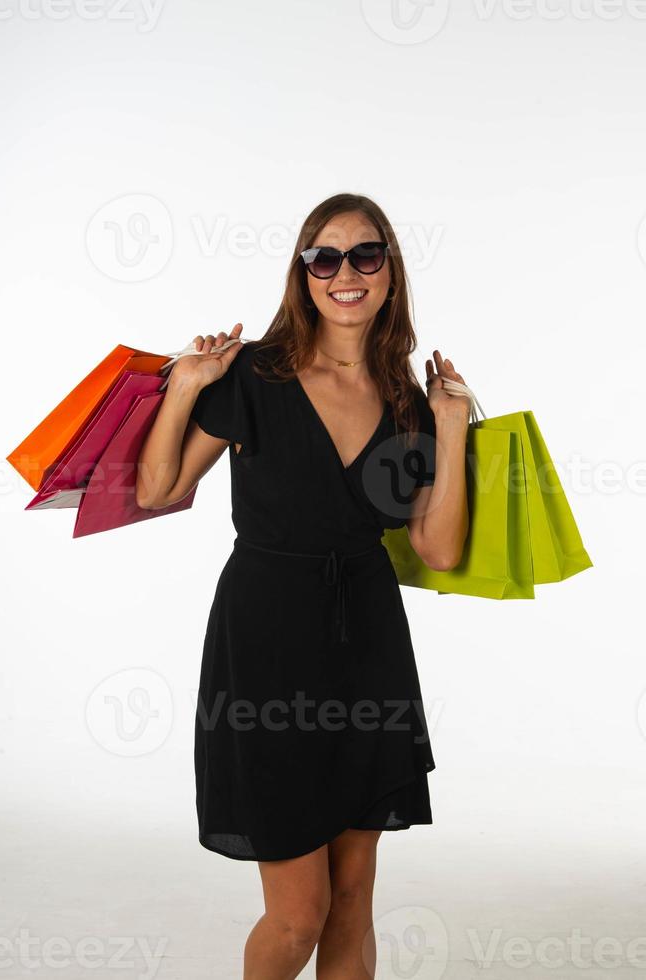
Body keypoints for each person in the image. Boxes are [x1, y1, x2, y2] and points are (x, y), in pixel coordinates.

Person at [136, 193, 470, 979]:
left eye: (365, 255)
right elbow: (159, 490)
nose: (344, 273)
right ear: (302, 272)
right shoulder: (257, 373)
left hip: (369, 648)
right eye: (324, 256)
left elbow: (439, 549)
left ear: (390, 269)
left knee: (353, 900)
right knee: (297, 919)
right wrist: (185, 385)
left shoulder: (407, 406)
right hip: (265, 648)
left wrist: (451, 429)